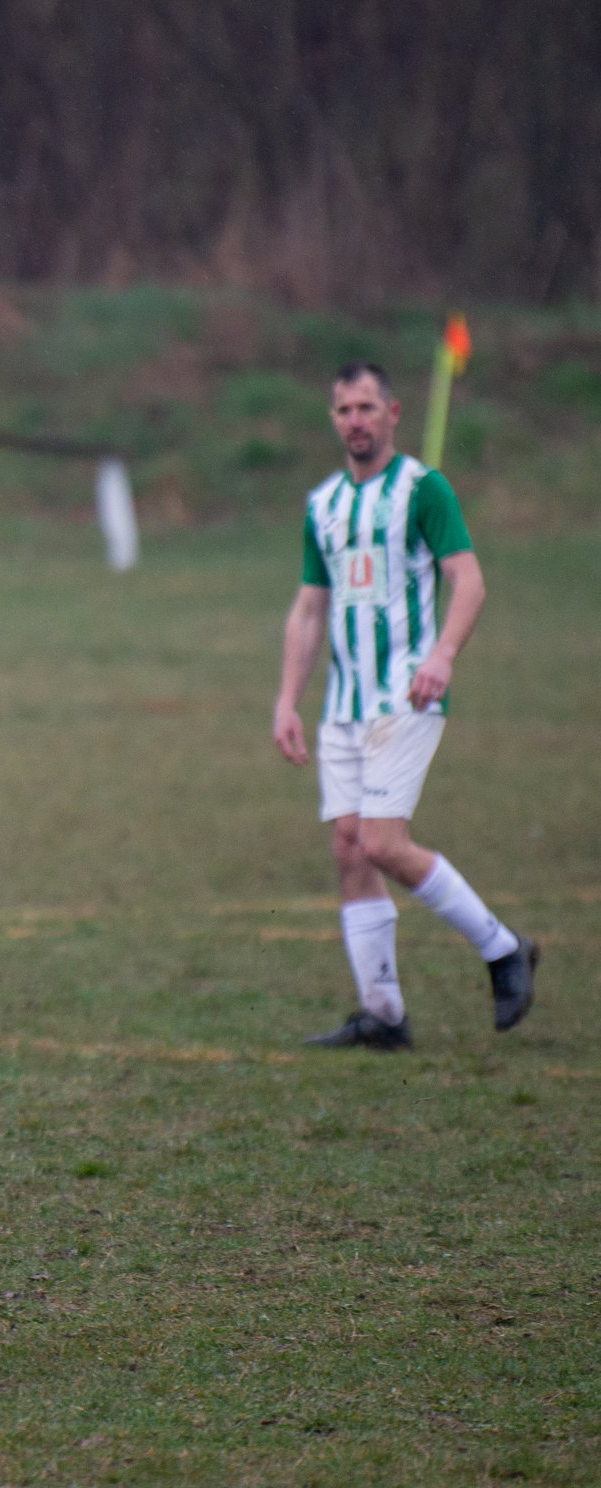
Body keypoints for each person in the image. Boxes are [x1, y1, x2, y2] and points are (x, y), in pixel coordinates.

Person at [272, 362, 536, 1049]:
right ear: (333, 419)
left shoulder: (424, 488)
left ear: (392, 413)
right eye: (343, 410)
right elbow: (308, 608)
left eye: (366, 407)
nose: (354, 420)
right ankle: (384, 1016)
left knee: (382, 843)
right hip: (344, 704)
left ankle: (503, 948)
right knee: (348, 849)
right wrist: (286, 702)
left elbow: (468, 581)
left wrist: (442, 655)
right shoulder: (323, 504)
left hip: (405, 695)